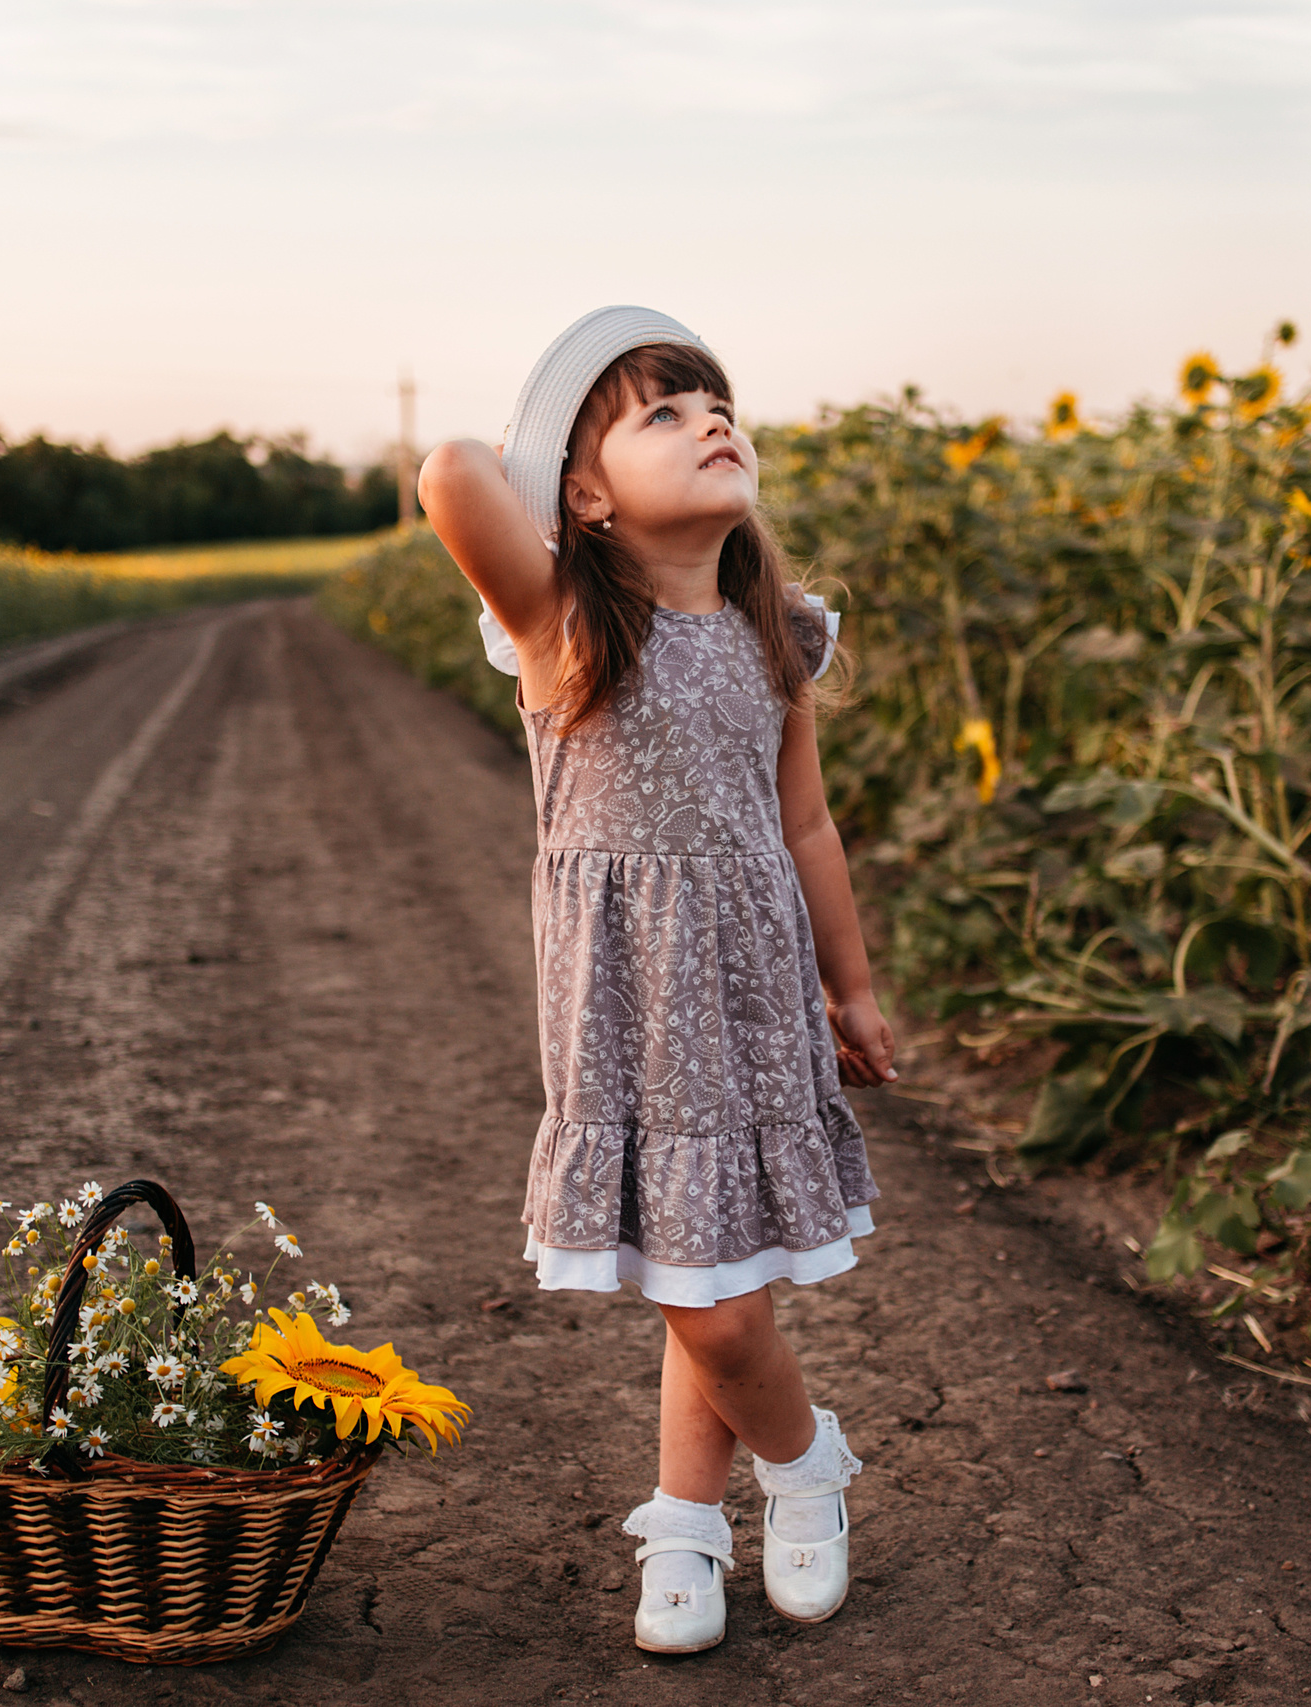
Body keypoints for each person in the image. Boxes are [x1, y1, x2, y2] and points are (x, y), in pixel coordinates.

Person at [416, 306, 898, 1654]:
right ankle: (806, 1464)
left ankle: (685, 1517)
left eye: (720, 403)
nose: (712, 422)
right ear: (584, 492)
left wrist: (850, 992)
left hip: (748, 999)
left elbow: (804, 827)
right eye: (663, 412)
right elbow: (449, 473)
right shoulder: (569, 631)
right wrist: (547, 462)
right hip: (632, 1010)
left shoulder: (772, 641)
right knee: (715, 1295)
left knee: (715, 1277)